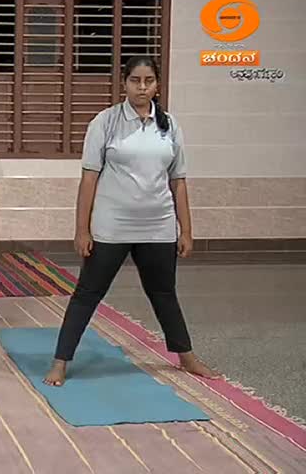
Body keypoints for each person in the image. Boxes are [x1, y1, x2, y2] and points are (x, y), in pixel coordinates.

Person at [43, 56, 221, 387]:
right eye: (135, 80)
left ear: (157, 85)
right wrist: (82, 229)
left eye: (148, 81)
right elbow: (89, 179)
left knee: (164, 293)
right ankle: (60, 361)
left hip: (159, 227)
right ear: (124, 83)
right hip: (112, 227)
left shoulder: (170, 125)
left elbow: (178, 181)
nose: (142, 87)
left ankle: (186, 356)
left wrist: (187, 230)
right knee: (87, 294)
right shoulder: (105, 122)